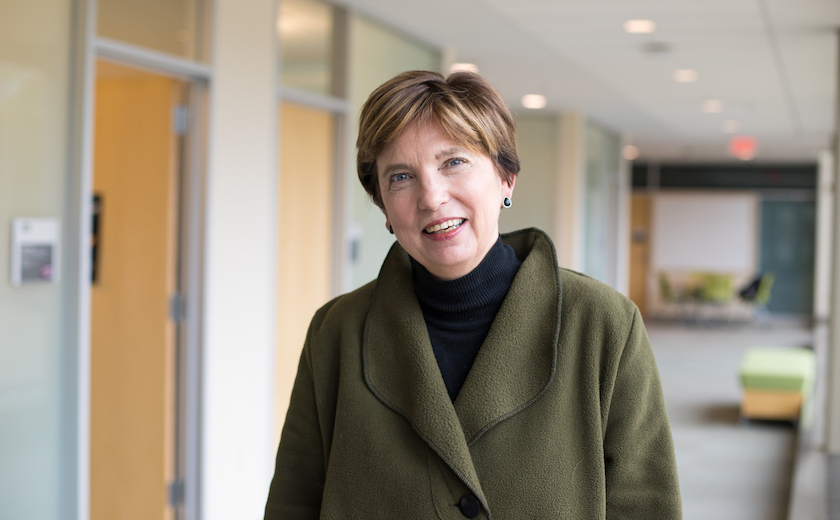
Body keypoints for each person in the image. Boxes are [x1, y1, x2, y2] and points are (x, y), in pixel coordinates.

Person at [264, 70, 682, 520]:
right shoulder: (337, 331)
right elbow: (294, 502)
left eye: (453, 163)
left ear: (506, 177)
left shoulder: (604, 325)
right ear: (384, 206)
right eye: (401, 177)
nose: (431, 197)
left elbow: (646, 507)